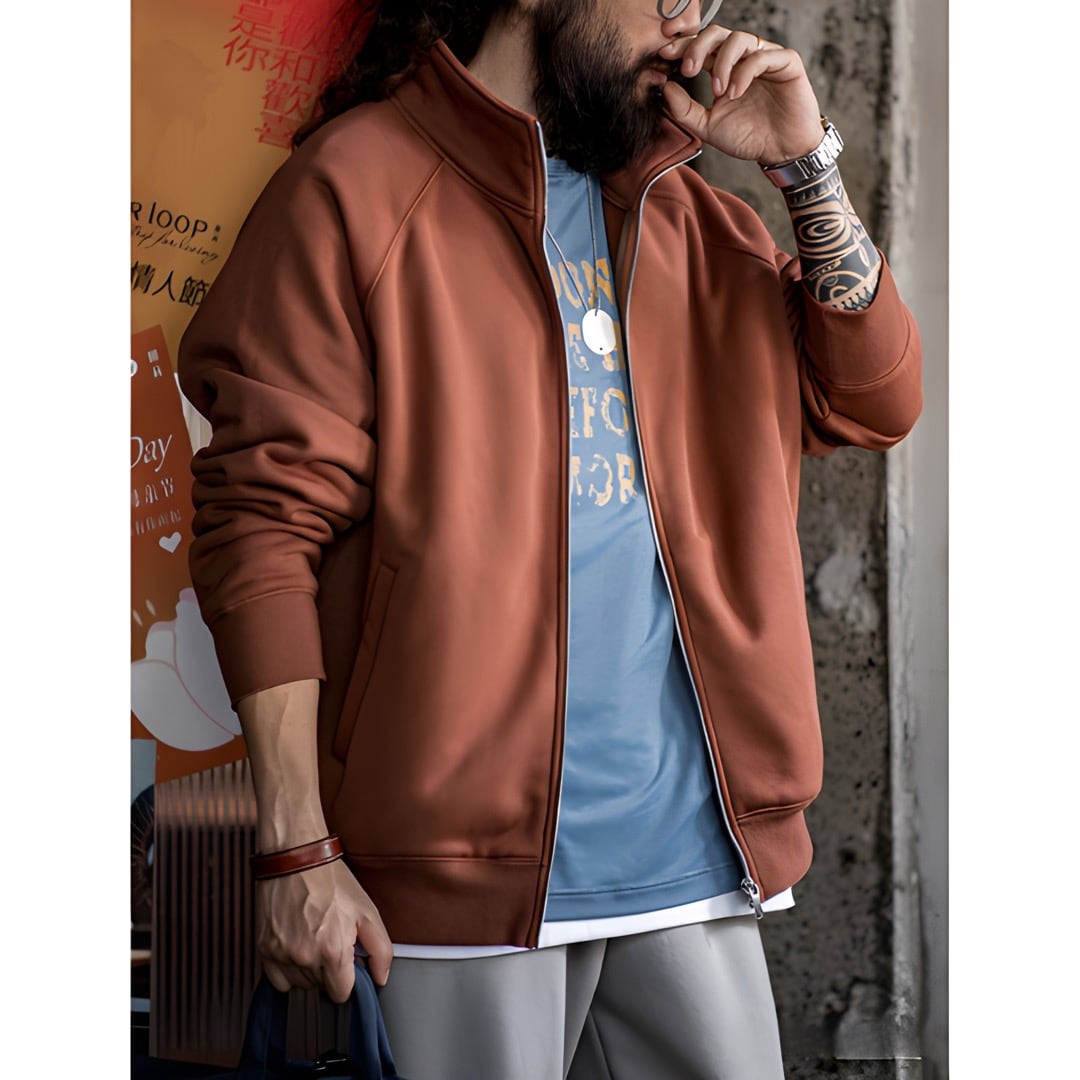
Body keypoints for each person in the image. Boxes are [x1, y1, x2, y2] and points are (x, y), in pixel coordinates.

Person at [177, 0, 922, 1076]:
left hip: (698, 853)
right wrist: (296, 847)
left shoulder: (694, 218)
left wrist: (806, 168)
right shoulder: (357, 186)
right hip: (457, 874)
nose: (690, 15)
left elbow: (874, 401)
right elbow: (260, 525)